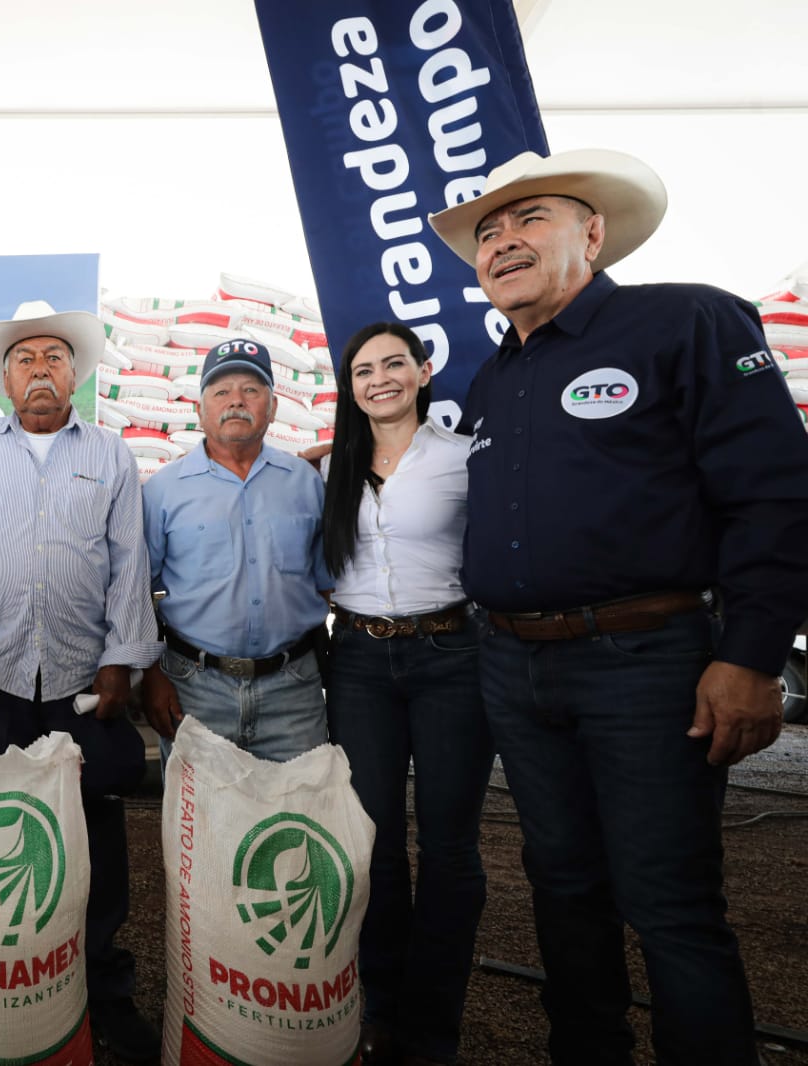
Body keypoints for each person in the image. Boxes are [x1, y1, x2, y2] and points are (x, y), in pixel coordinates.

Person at [427, 148, 808, 1065]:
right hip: (516, 667)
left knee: (669, 899)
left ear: (592, 233)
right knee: (560, 885)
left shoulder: (686, 321)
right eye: (489, 232)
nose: (505, 241)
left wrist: (751, 654)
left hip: (648, 663)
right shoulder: (492, 378)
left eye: (531, 220)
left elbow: (777, 493)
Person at [0, 300, 162, 1062]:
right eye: (25, 359)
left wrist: (121, 660)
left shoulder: (112, 453)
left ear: (73, 373)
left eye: (54, 358)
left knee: (94, 827)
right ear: (4, 378)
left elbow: (130, 563)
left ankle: (104, 988)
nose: (40, 370)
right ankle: (5, 977)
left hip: (81, 680)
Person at [321, 322, 491, 1066]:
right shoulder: (332, 467)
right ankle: (380, 1012)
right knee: (375, 846)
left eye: (395, 364)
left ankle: (433, 1031)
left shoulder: (463, 460)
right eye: (364, 370)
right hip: (358, 660)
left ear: (424, 374)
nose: (380, 379)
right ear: (349, 387)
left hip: (452, 654)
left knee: (450, 848)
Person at [139, 338, 332, 763]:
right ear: (199, 409)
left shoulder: (305, 482)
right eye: (221, 392)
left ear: (274, 407)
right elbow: (136, 593)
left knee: (298, 817)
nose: (236, 402)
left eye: (251, 390)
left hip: (292, 690)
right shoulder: (163, 490)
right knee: (203, 823)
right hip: (196, 687)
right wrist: (151, 675)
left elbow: (324, 584)